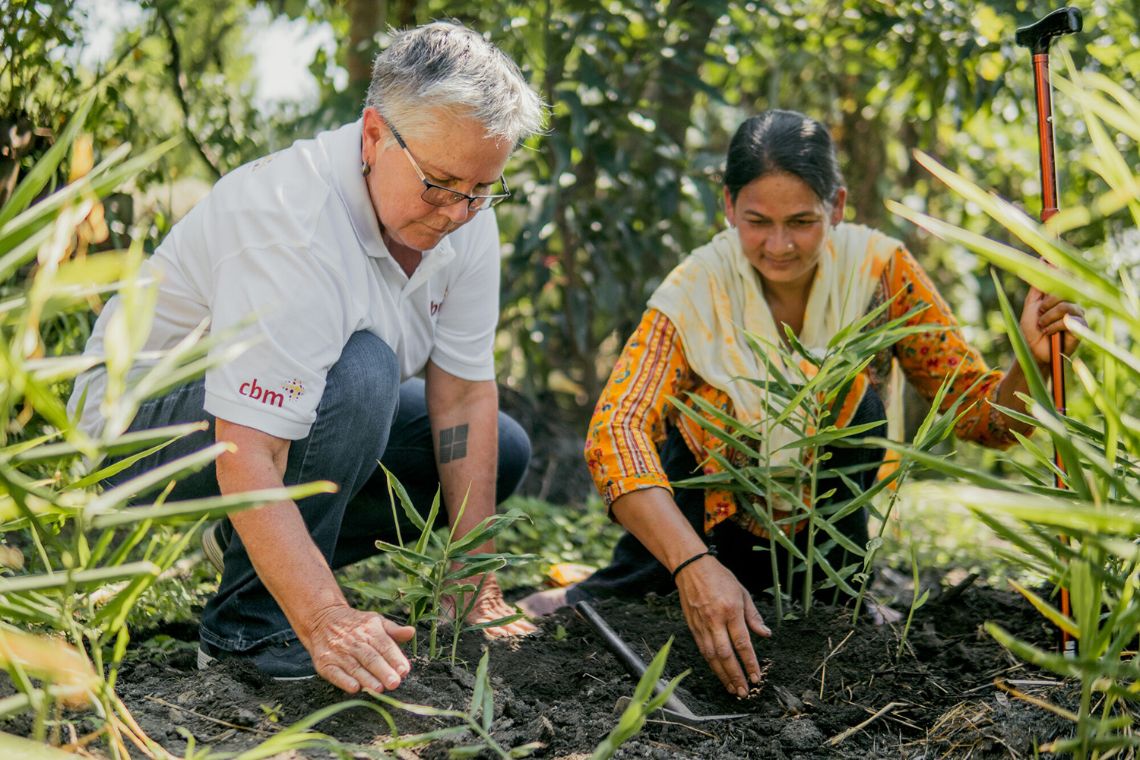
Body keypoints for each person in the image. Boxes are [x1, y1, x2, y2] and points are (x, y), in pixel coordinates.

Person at [520, 109, 1083, 698]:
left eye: (803, 221)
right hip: (699, 537)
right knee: (613, 592)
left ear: (837, 206)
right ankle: (630, 584)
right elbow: (616, 430)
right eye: (758, 221)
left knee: (849, 397)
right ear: (728, 206)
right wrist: (693, 568)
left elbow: (983, 416)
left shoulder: (879, 272)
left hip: (823, 557)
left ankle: (839, 604)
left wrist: (1035, 359)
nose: (780, 245)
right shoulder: (696, 289)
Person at [69, 22, 545, 692]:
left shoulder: (466, 217)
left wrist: (475, 578)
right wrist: (326, 617)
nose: (456, 213)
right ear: (375, 135)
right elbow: (244, 449)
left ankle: (252, 555)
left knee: (502, 442)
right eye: (439, 185)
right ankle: (250, 629)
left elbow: (463, 397)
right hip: (133, 434)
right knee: (362, 373)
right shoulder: (291, 219)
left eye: (479, 190)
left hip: (269, 423)